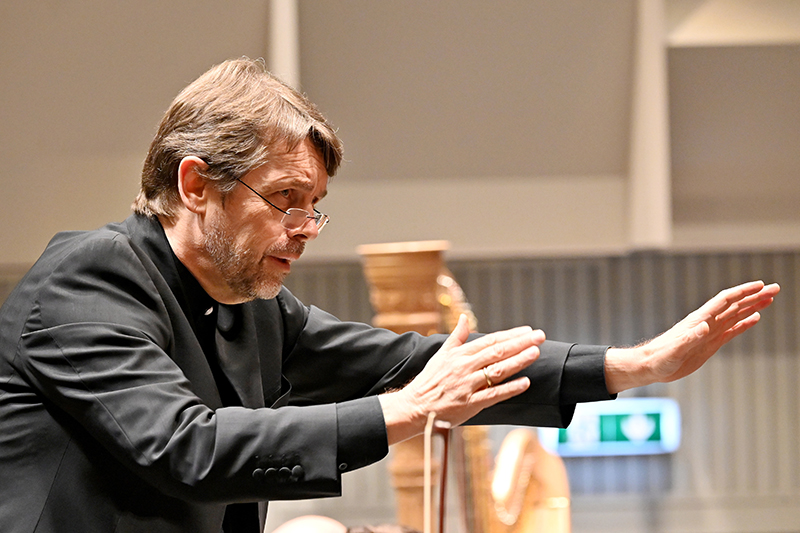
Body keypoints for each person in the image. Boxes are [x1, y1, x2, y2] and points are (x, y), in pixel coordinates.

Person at [0, 57, 779, 533]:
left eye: (316, 206)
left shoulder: (257, 312)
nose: (307, 228)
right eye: (286, 200)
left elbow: (411, 361)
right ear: (195, 182)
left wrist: (631, 366)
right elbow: (188, 447)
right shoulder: (88, 280)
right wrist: (411, 412)